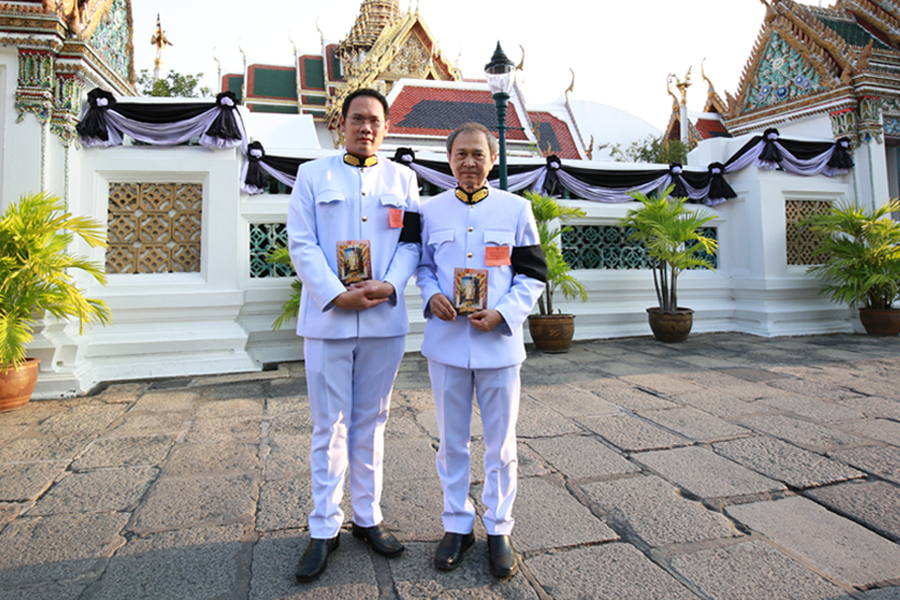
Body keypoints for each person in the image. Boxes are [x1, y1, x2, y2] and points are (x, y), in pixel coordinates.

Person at [287, 88, 421, 583]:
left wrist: (391, 284)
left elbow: (412, 242)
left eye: (375, 121)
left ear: (386, 128)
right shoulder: (312, 175)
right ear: (339, 124)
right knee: (330, 425)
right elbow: (301, 242)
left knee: (373, 420)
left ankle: (367, 517)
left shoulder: (402, 180)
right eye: (357, 119)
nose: (366, 127)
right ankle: (324, 527)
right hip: (329, 319)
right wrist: (332, 292)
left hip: (384, 319)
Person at [415, 122, 547, 578]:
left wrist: (504, 313)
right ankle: (456, 523)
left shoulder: (516, 209)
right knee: (451, 441)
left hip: (498, 345)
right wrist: (431, 294)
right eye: (460, 155)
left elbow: (532, 275)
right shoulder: (429, 210)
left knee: (500, 445)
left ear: (493, 160)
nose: (469, 162)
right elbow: (424, 267)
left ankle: (498, 527)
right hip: (447, 344)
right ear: (448, 160)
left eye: (478, 154)